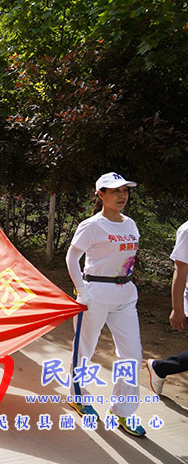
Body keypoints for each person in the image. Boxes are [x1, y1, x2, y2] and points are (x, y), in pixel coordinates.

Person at [65, 172, 145, 437]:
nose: (122, 195)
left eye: (124, 190)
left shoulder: (131, 224)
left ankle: (123, 411)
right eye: (114, 191)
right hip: (95, 292)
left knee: (132, 354)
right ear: (100, 195)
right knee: (85, 348)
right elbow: (72, 257)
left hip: (125, 294)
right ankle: (79, 395)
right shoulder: (92, 225)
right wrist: (81, 290)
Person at [145, 220, 188, 395]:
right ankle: (160, 368)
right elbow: (180, 271)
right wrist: (177, 309)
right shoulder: (187, 231)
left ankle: (161, 368)